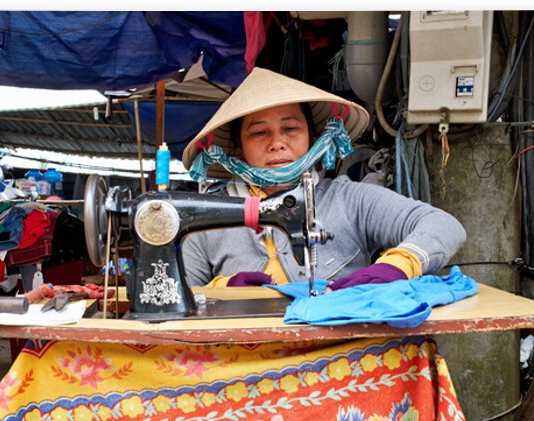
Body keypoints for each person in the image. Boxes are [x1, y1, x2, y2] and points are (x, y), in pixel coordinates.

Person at [181, 67, 466, 292]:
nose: (277, 143)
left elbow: (444, 226)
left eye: (290, 128)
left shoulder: (351, 200)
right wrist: (222, 291)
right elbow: (181, 296)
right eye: (259, 132)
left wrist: (398, 264)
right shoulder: (206, 220)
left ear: (313, 137)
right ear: (237, 146)